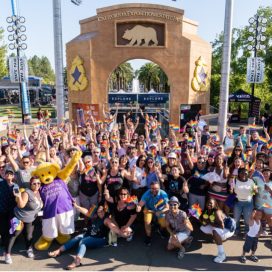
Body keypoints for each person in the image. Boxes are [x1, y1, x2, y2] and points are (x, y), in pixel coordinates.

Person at [48, 204, 125, 270]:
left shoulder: (106, 219)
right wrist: (76, 206)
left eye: (102, 211)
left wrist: (121, 233)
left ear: (105, 211)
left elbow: (113, 227)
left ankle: (77, 261)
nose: (100, 213)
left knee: (83, 241)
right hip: (89, 235)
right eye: (99, 212)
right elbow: (86, 211)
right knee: (77, 237)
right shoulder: (95, 216)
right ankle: (58, 251)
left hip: (100, 239)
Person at [7, 177, 43, 261]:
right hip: (17, 217)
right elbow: (21, 205)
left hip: (30, 219)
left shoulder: (39, 192)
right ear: (30, 184)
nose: (37, 185)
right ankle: (7, 254)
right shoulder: (27, 193)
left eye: (38, 183)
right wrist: (19, 196)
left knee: (29, 235)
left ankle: (29, 249)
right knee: (14, 234)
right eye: (34, 183)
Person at [200, 198, 235, 263]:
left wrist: (209, 222)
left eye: (211, 203)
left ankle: (222, 254)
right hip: (219, 227)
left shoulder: (217, 212)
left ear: (215, 204)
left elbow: (222, 226)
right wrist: (201, 219)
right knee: (202, 228)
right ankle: (217, 238)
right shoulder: (207, 211)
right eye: (208, 203)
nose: (209, 204)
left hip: (227, 229)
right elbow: (204, 224)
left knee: (215, 232)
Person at [136, 181, 169, 246]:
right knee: (147, 222)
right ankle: (148, 236)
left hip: (160, 209)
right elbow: (140, 204)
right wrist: (138, 207)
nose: (154, 190)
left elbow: (168, 207)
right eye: (152, 188)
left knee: (163, 224)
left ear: (159, 188)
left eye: (156, 188)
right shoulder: (147, 194)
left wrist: (160, 212)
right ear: (150, 188)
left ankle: (160, 229)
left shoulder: (163, 194)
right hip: (149, 208)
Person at [233, 168, 256, 235]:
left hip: (248, 203)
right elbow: (231, 191)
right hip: (238, 202)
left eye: (245, 173)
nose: (244, 175)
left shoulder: (251, 181)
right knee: (236, 218)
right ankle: (237, 230)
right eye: (242, 173)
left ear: (248, 174)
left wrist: (255, 191)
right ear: (239, 174)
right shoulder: (235, 181)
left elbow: (254, 192)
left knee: (247, 219)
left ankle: (247, 231)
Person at [0, 169, 17, 264]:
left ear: (13, 176)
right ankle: (6, 250)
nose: (9, 176)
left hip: (13, 213)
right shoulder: (1, 183)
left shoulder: (16, 186)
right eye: (7, 174)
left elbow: (18, 199)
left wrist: (17, 196)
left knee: (12, 232)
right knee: (4, 232)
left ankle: (7, 253)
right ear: (5, 175)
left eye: (11, 174)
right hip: (2, 212)